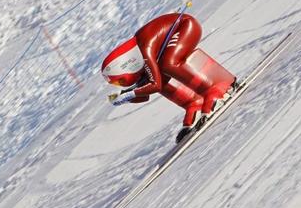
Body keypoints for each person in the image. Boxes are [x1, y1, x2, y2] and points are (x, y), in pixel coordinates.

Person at [101, 13, 237, 143]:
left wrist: (130, 93)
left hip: (185, 25)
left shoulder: (143, 49)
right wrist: (125, 97)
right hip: (178, 31)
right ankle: (194, 103)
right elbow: (147, 93)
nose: (121, 84)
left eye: (120, 80)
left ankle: (217, 89)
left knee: (168, 64)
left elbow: (156, 85)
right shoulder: (140, 57)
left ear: (124, 66)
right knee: (154, 75)